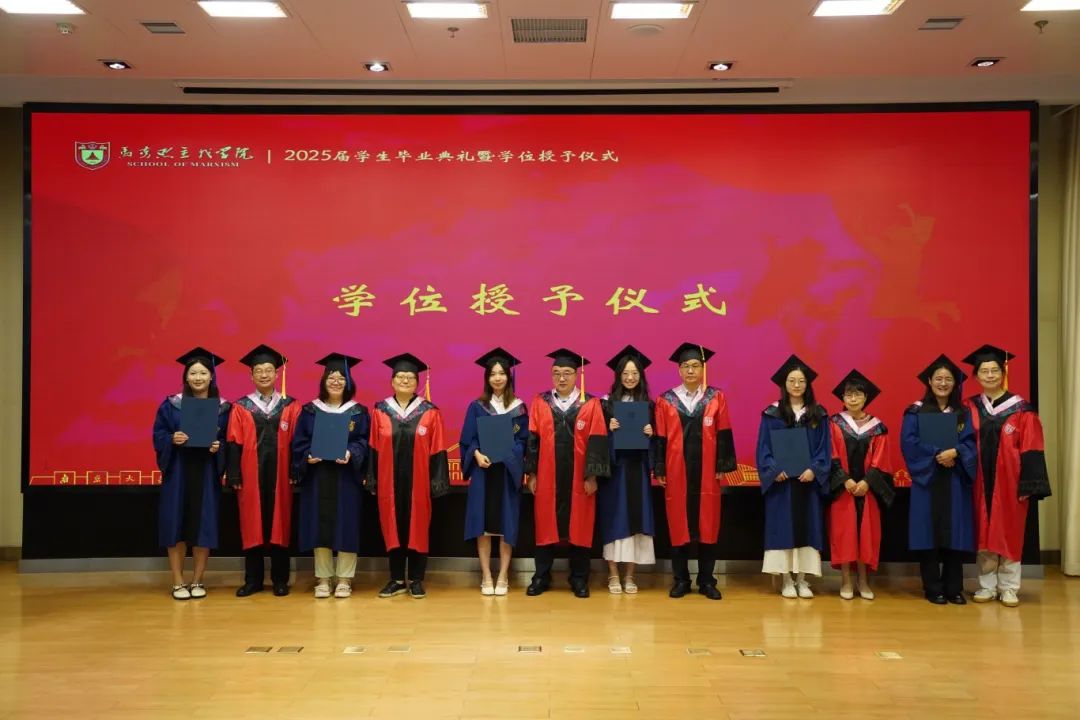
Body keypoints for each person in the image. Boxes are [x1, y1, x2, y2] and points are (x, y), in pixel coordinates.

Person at [962, 344, 1051, 607]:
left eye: (994, 370)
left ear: (1003, 373)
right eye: (984, 371)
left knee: (1009, 532)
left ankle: (1009, 587)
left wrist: (1029, 484)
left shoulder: (1022, 409)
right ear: (976, 376)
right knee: (984, 533)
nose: (990, 375)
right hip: (978, 482)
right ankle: (987, 586)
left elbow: (1032, 447)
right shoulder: (969, 407)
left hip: (1010, 482)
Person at [653, 342, 736, 601]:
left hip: (707, 471)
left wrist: (722, 465)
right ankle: (681, 580)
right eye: (686, 366)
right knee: (678, 524)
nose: (690, 370)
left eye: (695, 366)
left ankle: (707, 581)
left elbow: (724, 432)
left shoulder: (716, 397)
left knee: (708, 525)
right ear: (679, 370)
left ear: (702, 369)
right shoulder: (665, 400)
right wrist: (659, 467)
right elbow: (660, 437)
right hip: (676, 470)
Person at [523, 348, 609, 598]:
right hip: (547, 475)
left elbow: (597, 440)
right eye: (557, 373)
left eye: (567, 373)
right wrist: (532, 473)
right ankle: (541, 576)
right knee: (545, 525)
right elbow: (533, 439)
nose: (562, 378)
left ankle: (579, 578)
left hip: (579, 477)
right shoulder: (540, 402)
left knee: (580, 526)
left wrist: (592, 475)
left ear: (576, 375)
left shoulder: (590, 404)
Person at [368, 353, 450, 600]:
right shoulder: (380, 411)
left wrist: (437, 482)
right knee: (391, 526)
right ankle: (396, 579)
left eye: (410, 377)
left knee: (418, 527)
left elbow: (438, 449)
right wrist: (372, 479)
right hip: (388, 483)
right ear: (392, 381)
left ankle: (416, 579)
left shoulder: (430, 412)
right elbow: (373, 448)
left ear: (418, 382)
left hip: (420, 484)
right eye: (400, 376)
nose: (405, 380)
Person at [152, 347, 230, 600]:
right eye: (193, 373)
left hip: (206, 472)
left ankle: (197, 581)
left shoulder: (223, 408)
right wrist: (171, 438)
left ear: (211, 376)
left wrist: (219, 447)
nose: (198, 378)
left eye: (203, 373)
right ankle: (178, 582)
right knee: (176, 524)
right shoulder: (171, 405)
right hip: (178, 471)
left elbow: (229, 440)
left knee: (202, 525)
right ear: (186, 376)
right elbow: (159, 434)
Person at [291, 353, 370, 599]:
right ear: (324, 381)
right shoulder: (310, 410)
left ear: (348, 382)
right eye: (331, 377)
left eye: (341, 378)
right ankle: (323, 578)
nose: (336, 382)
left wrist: (351, 452)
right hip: (318, 475)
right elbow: (299, 442)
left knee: (347, 524)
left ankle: (345, 578)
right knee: (319, 524)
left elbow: (364, 441)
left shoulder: (358, 412)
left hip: (346, 476)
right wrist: (307, 455)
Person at [901, 354, 977, 605]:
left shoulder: (963, 413)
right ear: (929, 381)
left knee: (955, 533)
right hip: (928, 480)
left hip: (955, 479)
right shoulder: (915, 411)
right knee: (928, 533)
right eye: (938, 378)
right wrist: (937, 454)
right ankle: (933, 588)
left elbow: (971, 443)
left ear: (955, 383)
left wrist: (956, 452)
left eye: (948, 379)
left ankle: (954, 588)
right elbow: (909, 443)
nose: (943, 383)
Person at [227, 344, 300, 597]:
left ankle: (280, 580)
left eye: (269, 370)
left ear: (277, 374)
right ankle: (253, 580)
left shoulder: (291, 406)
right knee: (252, 524)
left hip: (282, 475)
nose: (264, 374)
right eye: (258, 370)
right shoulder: (241, 407)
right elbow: (233, 441)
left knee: (281, 523)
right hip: (250, 474)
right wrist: (234, 473)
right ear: (251, 375)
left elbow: (298, 442)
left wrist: (296, 469)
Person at [755, 354, 831, 599]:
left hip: (807, 483)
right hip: (782, 484)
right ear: (784, 384)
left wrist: (815, 469)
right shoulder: (772, 414)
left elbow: (824, 448)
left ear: (808, 384)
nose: (797, 385)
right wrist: (773, 469)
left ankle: (803, 579)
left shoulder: (818, 414)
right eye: (792, 381)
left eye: (801, 381)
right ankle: (786, 579)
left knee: (808, 527)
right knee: (783, 528)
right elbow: (764, 448)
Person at [460, 348, 528, 596]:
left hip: (507, 473)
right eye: (493, 374)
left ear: (509, 377)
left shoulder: (519, 408)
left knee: (506, 525)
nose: (497, 378)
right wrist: (476, 454)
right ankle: (487, 575)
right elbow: (467, 440)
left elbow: (523, 441)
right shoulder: (477, 406)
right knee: (484, 527)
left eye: (502, 373)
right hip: (484, 473)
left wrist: (510, 454)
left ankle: (503, 576)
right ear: (487, 378)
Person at [826, 369, 894, 600]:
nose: (853, 398)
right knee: (844, 533)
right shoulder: (834, 424)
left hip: (868, 490)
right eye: (848, 394)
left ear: (866, 397)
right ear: (843, 398)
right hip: (843, 489)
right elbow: (830, 455)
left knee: (866, 535)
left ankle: (864, 581)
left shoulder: (877, 427)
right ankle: (846, 581)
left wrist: (867, 482)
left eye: (858, 394)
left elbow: (881, 460)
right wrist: (844, 479)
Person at [599, 345, 657, 595]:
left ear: (641, 376)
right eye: (625, 373)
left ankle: (630, 575)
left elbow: (656, 442)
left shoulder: (649, 405)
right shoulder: (606, 404)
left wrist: (651, 434)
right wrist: (608, 430)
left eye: (634, 373)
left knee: (636, 520)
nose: (630, 378)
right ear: (618, 375)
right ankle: (613, 574)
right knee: (614, 519)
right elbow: (596, 441)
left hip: (638, 471)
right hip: (616, 471)